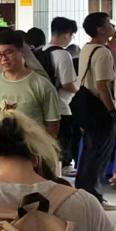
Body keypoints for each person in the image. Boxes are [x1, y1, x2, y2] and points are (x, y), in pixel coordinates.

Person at [75, 12, 116, 210]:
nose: (113, 26)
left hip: (87, 107)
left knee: (90, 152)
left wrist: (113, 47)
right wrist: (113, 113)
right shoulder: (101, 52)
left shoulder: (89, 48)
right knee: (98, 155)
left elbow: (115, 71)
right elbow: (103, 86)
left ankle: (83, 193)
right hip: (99, 109)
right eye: (109, 23)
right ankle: (93, 197)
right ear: (100, 29)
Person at [0, 29, 60, 138]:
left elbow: (52, 126)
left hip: (32, 147)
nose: (4, 59)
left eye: (8, 52)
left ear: (21, 51)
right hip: (0, 146)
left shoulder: (42, 85)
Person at [45, 17, 80, 176]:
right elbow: (67, 84)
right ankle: (63, 167)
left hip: (44, 105)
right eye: (72, 35)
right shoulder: (63, 54)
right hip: (61, 106)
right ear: (66, 34)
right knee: (62, 140)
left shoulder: (40, 52)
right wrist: (78, 88)